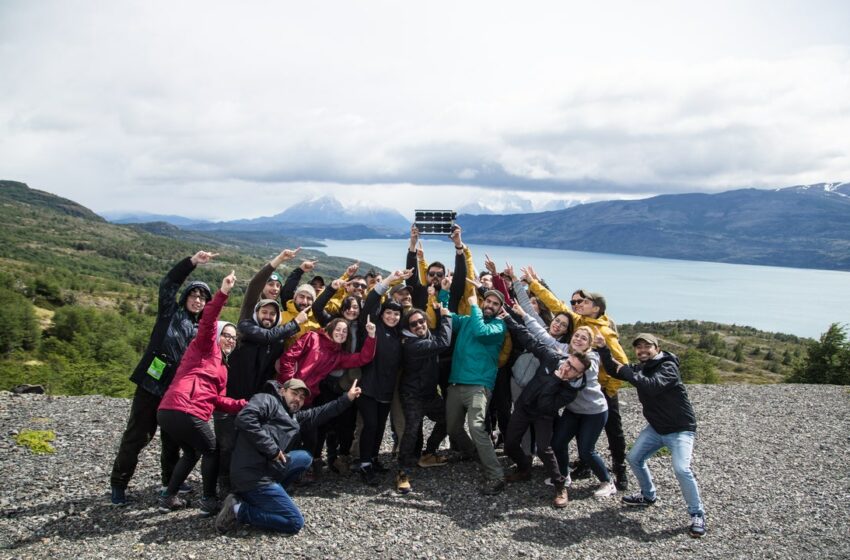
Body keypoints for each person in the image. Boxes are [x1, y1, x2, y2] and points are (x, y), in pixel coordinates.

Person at [109, 251, 214, 506]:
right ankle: (119, 484)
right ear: (186, 297)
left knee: (172, 442)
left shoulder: (201, 330)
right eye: (194, 294)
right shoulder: (169, 312)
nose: (198, 300)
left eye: (203, 298)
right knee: (137, 437)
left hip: (175, 393)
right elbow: (168, 283)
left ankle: (170, 481)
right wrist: (191, 262)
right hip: (150, 385)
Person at [524, 268, 629, 490]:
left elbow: (620, 364)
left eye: (582, 301)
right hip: (576, 390)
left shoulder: (605, 333)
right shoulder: (579, 321)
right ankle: (577, 468)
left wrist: (607, 388)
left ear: (596, 307)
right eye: (575, 302)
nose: (577, 305)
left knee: (612, 431)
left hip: (599, 390)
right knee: (571, 435)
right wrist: (534, 284)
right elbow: (555, 306)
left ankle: (618, 472)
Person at [215, 377, 363, 535]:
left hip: (266, 470)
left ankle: (262, 499)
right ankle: (238, 510)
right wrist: (273, 450)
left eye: (302, 397)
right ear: (282, 391)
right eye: (294, 394)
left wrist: (348, 398)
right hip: (251, 476)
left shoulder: (293, 417)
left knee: (304, 458)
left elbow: (322, 412)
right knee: (294, 522)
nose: (298, 399)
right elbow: (245, 418)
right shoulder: (267, 400)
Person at [596, 332, 707, 538]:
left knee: (682, 469)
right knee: (634, 458)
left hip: (680, 429)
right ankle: (648, 496)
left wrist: (627, 371)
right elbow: (614, 369)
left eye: (647, 347)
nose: (642, 351)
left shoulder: (668, 366)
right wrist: (603, 348)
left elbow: (651, 385)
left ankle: (697, 514)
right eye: (639, 348)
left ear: (657, 348)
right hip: (656, 428)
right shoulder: (642, 367)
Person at [157, 271, 247, 515]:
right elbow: (208, 320)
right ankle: (208, 500)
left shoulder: (222, 367)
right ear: (218, 335)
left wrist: (242, 404)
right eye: (226, 335)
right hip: (183, 407)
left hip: (172, 411)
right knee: (211, 450)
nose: (230, 340)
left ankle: (168, 496)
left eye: (234, 337)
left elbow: (217, 400)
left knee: (194, 451)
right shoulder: (204, 346)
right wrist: (223, 293)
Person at [499, 310, 589, 508]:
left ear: (579, 375)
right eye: (568, 362)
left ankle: (560, 486)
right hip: (524, 406)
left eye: (573, 369)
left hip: (543, 414)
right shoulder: (552, 357)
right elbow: (529, 339)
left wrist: (556, 380)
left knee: (543, 449)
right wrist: (507, 317)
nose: (567, 368)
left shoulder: (570, 391)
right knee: (510, 444)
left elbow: (546, 405)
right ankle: (524, 469)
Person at [445, 289, 508, 494]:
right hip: (456, 382)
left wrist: (473, 305)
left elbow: (481, 332)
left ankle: (496, 475)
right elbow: (445, 316)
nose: (489, 305)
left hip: (479, 385)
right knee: (452, 428)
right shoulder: (467, 321)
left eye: (495, 303)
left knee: (476, 427)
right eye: (487, 301)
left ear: (500, 309)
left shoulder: (499, 326)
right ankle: (472, 452)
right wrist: (444, 293)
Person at [355, 269, 412, 486]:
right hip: (368, 388)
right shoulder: (372, 327)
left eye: (396, 314)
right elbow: (371, 301)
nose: (392, 316)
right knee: (370, 426)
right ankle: (364, 464)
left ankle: (373, 458)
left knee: (379, 427)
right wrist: (388, 281)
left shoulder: (399, 335)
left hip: (386, 390)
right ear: (382, 314)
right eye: (389, 313)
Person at [397, 304, 453, 493]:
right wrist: (446, 317)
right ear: (409, 328)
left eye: (422, 321)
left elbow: (438, 339)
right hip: (412, 394)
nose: (419, 325)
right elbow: (443, 342)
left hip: (429, 393)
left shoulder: (425, 336)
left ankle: (428, 453)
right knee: (411, 431)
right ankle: (402, 472)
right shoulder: (412, 344)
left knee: (448, 419)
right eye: (414, 324)